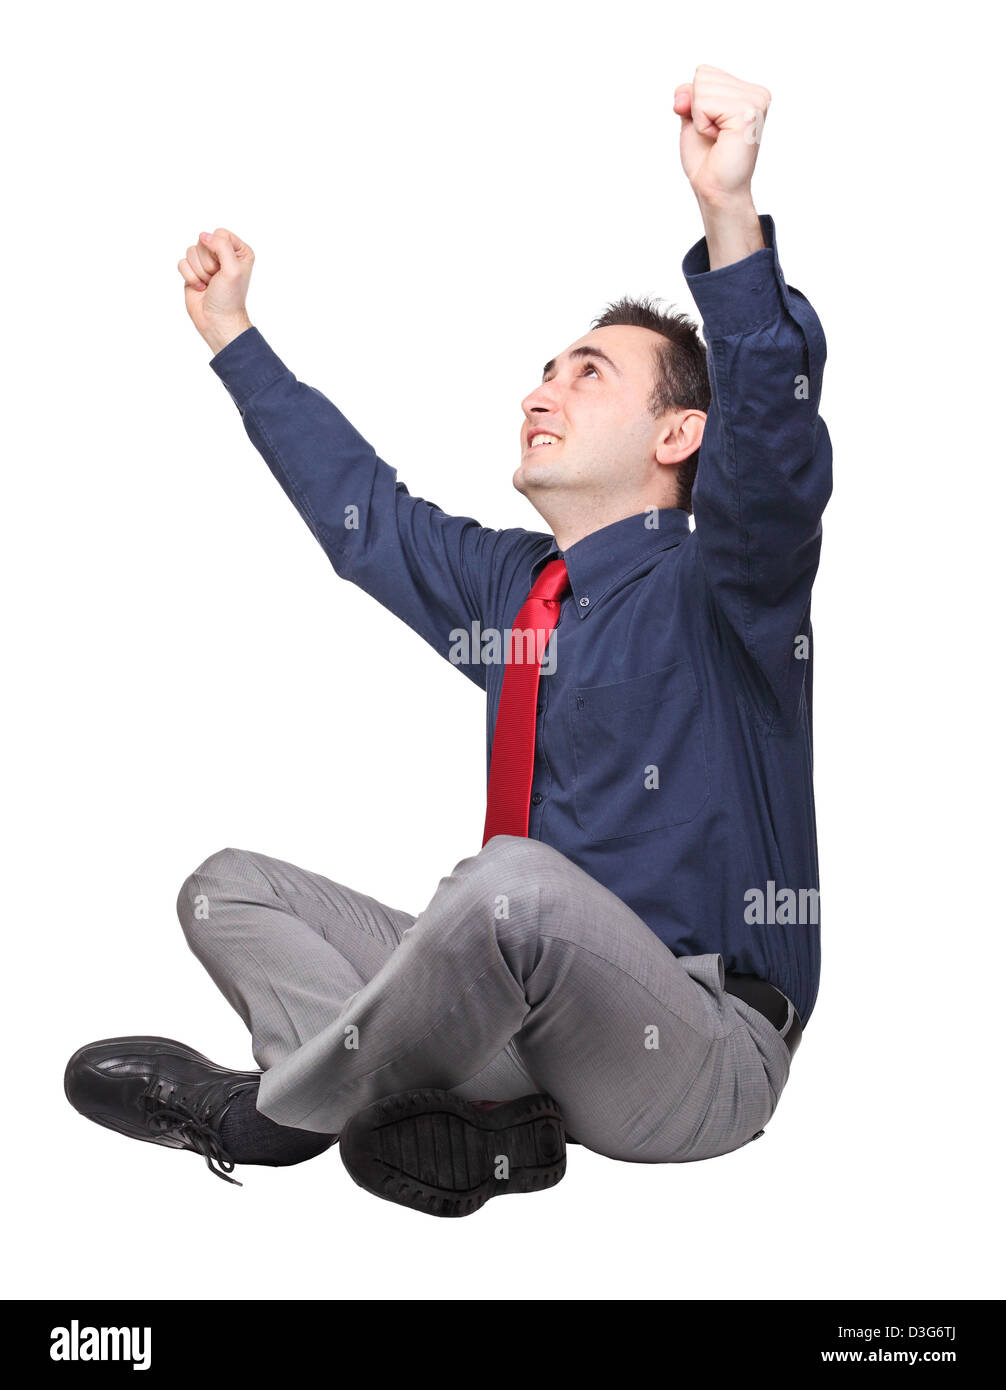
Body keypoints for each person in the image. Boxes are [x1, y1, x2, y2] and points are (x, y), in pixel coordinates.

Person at [65, 64, 832, 1217]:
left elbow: (770, 449)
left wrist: (728, 216)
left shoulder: (731, 581)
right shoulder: (519, 595)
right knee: (227, 892)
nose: (542, 391)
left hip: (701, 1052)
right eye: (543, 369)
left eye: (587, 374)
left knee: (509, 887)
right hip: (529, 1026)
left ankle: (270, 1115)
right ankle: (482, 1129)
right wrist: (232, 335)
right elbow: (360, 516)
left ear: (679, 432)